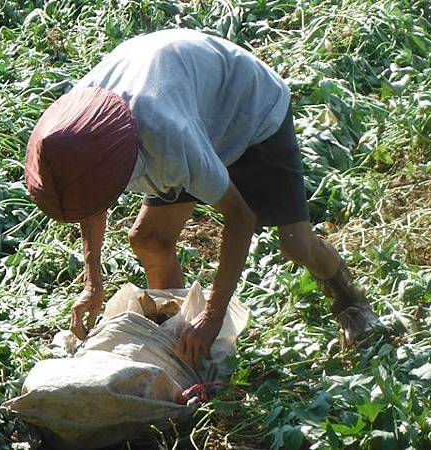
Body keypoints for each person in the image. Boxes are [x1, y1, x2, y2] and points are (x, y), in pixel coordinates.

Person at [25, 29, 378, 367]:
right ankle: (180, 342)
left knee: (296, 244)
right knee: (151, 240)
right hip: (189, 101)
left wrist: (213, 315)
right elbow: (90, 202)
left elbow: (241, 218)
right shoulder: (76, 124)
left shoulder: (169, 139)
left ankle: (351, 301)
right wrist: (93, 284)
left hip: (248, 108)